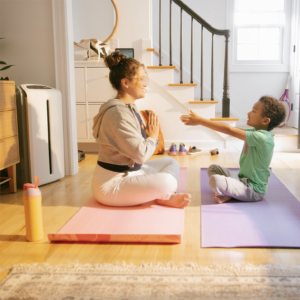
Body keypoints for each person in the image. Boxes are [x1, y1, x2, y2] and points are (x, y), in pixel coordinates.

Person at [91, 51, 191, 208]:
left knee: (171, 162)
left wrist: (151, 137)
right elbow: (141, 155)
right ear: (126, 83)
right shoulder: (118, 114)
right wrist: (152, 136)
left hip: (132, 172)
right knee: (168, 182)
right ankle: (164, 195)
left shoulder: (130, 107)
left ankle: (161, 195)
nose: (146, 83)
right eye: (143, 79)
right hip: (112, 183)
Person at [180, 96, 286, 204]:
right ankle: (230, 193)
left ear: (265, 120)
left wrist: (200, 121)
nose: (248, 113)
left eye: (254, 111)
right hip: (241, 179)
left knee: (215, 181)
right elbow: (231, 129)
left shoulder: (263, 138)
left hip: (253, 190)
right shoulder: (255, 134)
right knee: (213, 168)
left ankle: (229, 192)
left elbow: (230, 130)